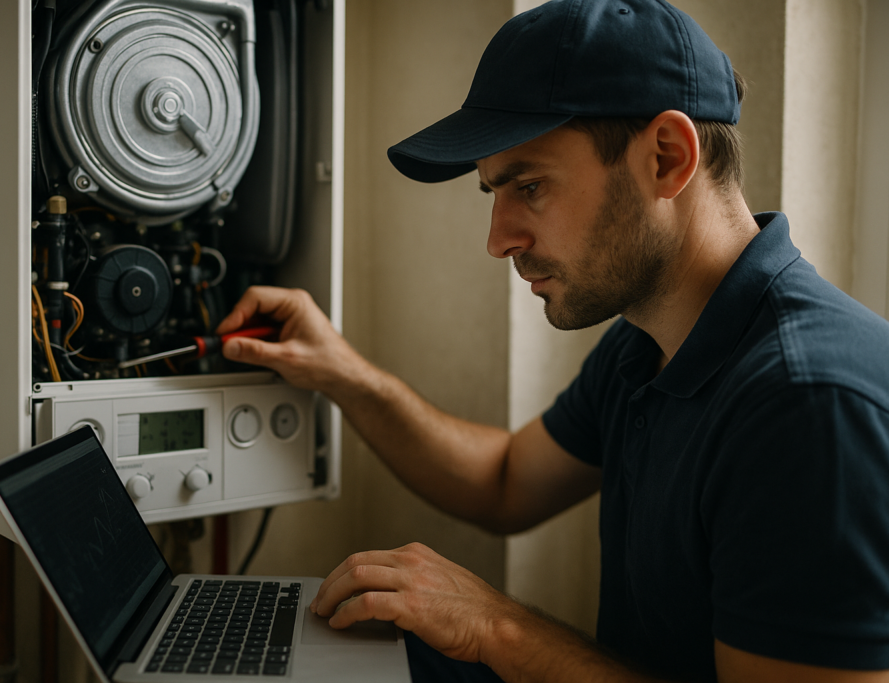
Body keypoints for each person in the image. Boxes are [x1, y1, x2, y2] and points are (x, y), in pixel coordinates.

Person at [215, 1, 889, 681]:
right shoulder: (647, 343)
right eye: (493, 192)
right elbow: (505, 481)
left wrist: (497, 626)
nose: (498, 239)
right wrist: (342, 371)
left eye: (529, 186)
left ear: (668, 157)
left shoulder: (809, 407)